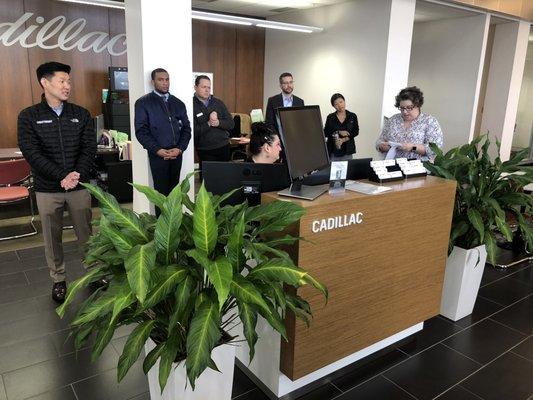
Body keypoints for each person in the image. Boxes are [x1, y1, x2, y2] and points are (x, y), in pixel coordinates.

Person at [18, 62, 96, 303]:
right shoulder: (29, 116)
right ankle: (59, 279)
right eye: (62, 81)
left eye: (69, 81)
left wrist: (76, 175)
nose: (67, 86)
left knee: (87, 234)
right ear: (45, 82)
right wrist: (61, 175)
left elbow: (88, 149)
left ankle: (93, 274)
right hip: (47, 189)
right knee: (52, 238)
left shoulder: (80, 114)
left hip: (78, 187)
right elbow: (32, 152)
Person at [134, 68, 191, 201]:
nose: (165, 83)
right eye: (161, 80)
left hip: (176, 154)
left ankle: (175, 222)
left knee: (175, 194)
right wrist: (157, 150)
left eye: (167, 79)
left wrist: (180, 148)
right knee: (160, 196)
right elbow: (141, 131)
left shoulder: (178, 103)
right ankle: (162, 222)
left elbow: (186, 129)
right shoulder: (143, 103)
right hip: (158, 154)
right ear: (153, 81)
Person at [376, 86, 443, 160]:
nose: (405, 111)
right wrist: (381, 147)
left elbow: (435, 150)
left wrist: (413, 147)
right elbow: (380, 141)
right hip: (391, 166)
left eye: (409, 108)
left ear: (418, 105)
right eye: (402, 108)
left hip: (416, 168)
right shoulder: (393, 120)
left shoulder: (429, 121)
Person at [193, 75, 234, 164]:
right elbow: (193, 131)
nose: (207, 90)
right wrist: (208, 123)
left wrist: (218, 122)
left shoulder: (218, 103)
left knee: (224, 176)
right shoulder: (191, 105)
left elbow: (231, 124)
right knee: (207, 178)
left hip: (223, 146)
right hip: (205, 150)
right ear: (195, 87)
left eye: (209, 87)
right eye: (204, 87)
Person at [323, 93, 359, 160]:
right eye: (336, 104)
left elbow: (355, 131)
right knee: (333, 170)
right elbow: (325, 133)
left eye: (341, 102)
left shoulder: (352, 116)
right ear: (333, 106)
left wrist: (343, 140)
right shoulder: (330, 117)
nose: (340, 105)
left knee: (347, 169)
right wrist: (338, 132)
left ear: (344, 101)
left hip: (347, 151)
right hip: (333, 151)